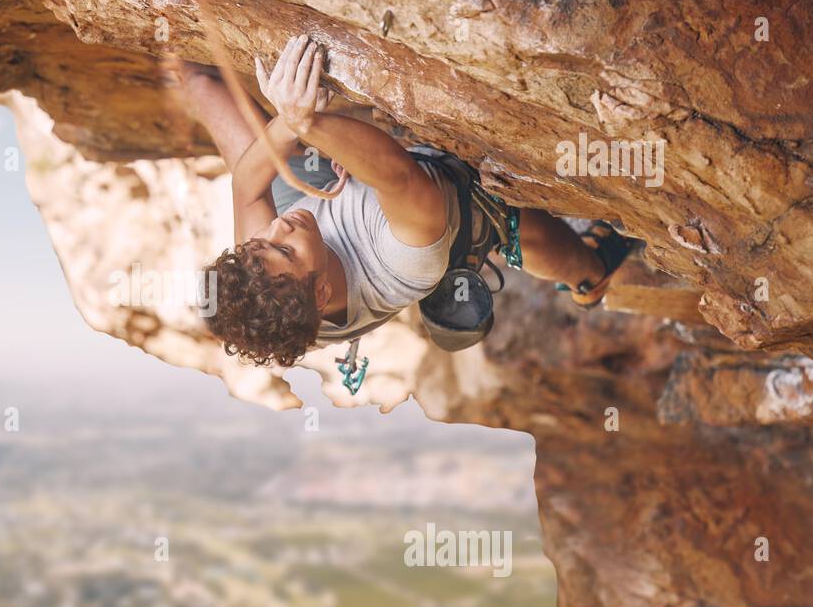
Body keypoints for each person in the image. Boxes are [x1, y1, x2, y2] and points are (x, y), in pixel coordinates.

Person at [182, 34, 636, 368]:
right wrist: (308, 124)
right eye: (284, 249)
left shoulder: (263, 279)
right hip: (442, 203)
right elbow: (399, 175)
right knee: (504, 225)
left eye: (259, 242)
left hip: (324, 211)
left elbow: (246, 186)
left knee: (199, 81)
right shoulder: (397, 264)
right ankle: (589, 278)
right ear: (320, 292)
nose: (277, 228)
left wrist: (288, 123)